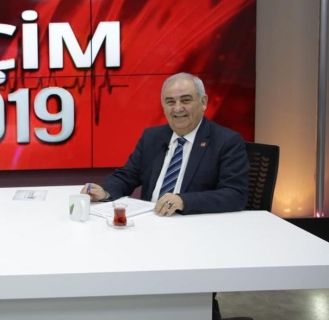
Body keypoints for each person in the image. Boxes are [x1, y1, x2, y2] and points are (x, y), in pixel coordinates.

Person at [82, 72, 249, 320]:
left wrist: (184, 200)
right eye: (170, 102)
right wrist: (105, 191)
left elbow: (235, 194)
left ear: (203, 102)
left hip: (194, 239)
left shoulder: (226, 141)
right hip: (147, 230)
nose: (177, 108)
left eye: (186, 100)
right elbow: (128, 175)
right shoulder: (153, 137)